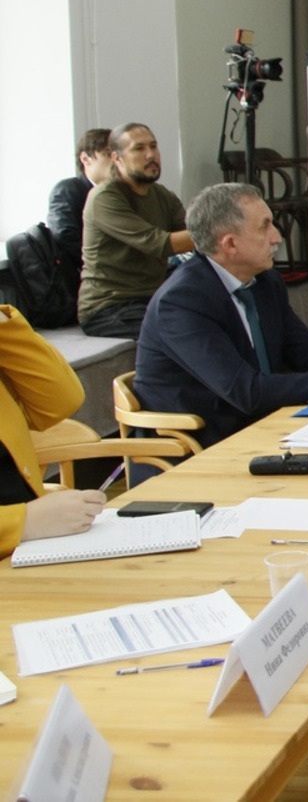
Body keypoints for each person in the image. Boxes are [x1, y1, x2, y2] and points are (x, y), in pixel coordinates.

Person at [135, 184, 308, 448]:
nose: (277, 237)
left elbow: (305, 352)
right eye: (265, 226)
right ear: (230, 244)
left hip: (265, 427)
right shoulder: (182, 301)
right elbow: (246, 392)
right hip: (201, 447)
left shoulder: (266, 281)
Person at [1, 305, 106, 557]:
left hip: (32, 551)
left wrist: (4, 325)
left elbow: (59, 402)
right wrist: (24, 521)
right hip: (25, 541)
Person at [78, 123, 194, 338]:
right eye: (139, 149)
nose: (151, 155)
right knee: (186, 329)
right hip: (109, 307)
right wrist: (220, 232)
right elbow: (159, 244)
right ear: (117, 158)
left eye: (153, 146)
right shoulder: (104, 197)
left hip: (152, 298)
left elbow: (191, 234)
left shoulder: (162, 195)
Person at [47, 127, 114, 278]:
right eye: (107, 154)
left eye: (117, 155)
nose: (115, 161)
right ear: (85, 159)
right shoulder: (67, 189)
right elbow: (65, 237)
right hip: (91, 276)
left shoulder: (118, 192)